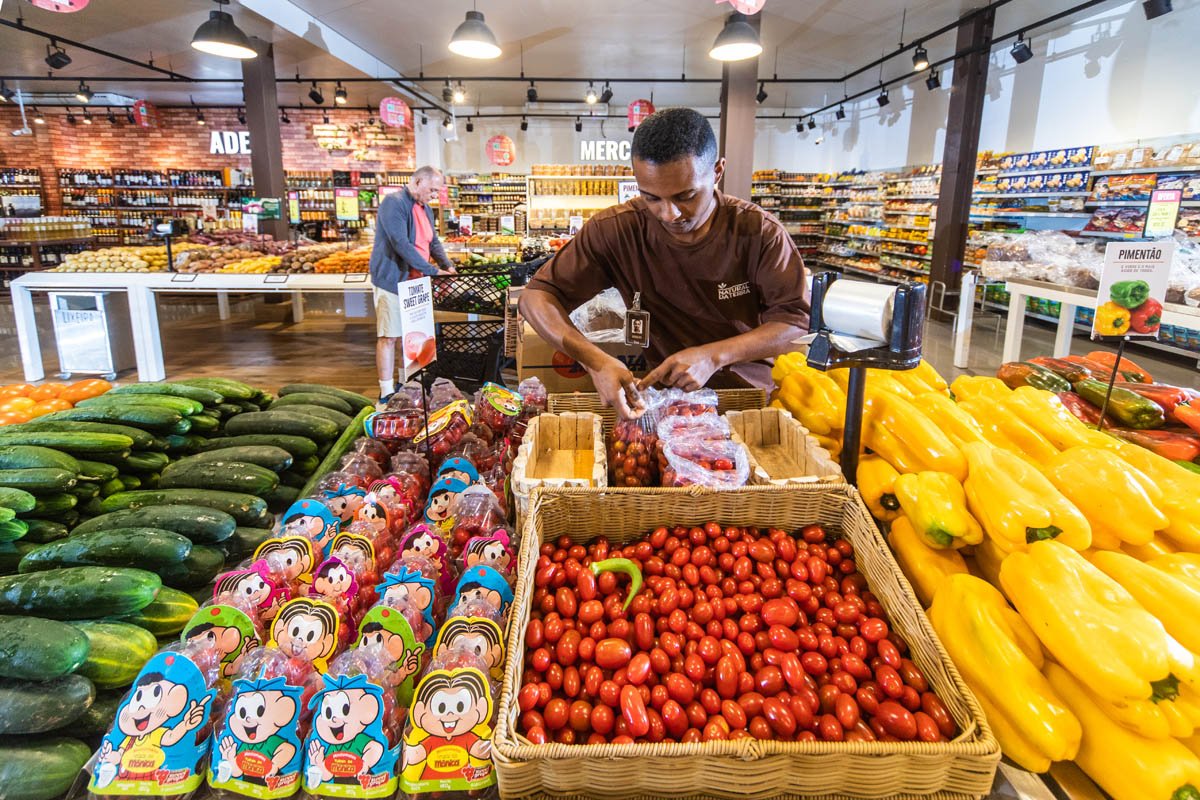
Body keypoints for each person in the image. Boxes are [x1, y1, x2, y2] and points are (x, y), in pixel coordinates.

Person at [519, 107, 810, 418]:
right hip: (665, 403)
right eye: (652, 198)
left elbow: (793, 323)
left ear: (717, 171)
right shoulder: (617, 230)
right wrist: (595, 360)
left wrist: (714, 356)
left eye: (686, 196)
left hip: (750, 401)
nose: (669, 214)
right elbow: (536, 297)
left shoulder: (760, 232)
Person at [369, 165, 457, 402]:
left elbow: (433, 242)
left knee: (409, 337)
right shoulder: (394, 203)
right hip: (393, 281)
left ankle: (404, 383)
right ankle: (386, 392)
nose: (434, 195)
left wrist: (446, 265)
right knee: (389, 336)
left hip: (415, 284)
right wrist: (432, 270)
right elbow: (400, 243)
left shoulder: (425, 208)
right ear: (417, 182)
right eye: (432, 189)